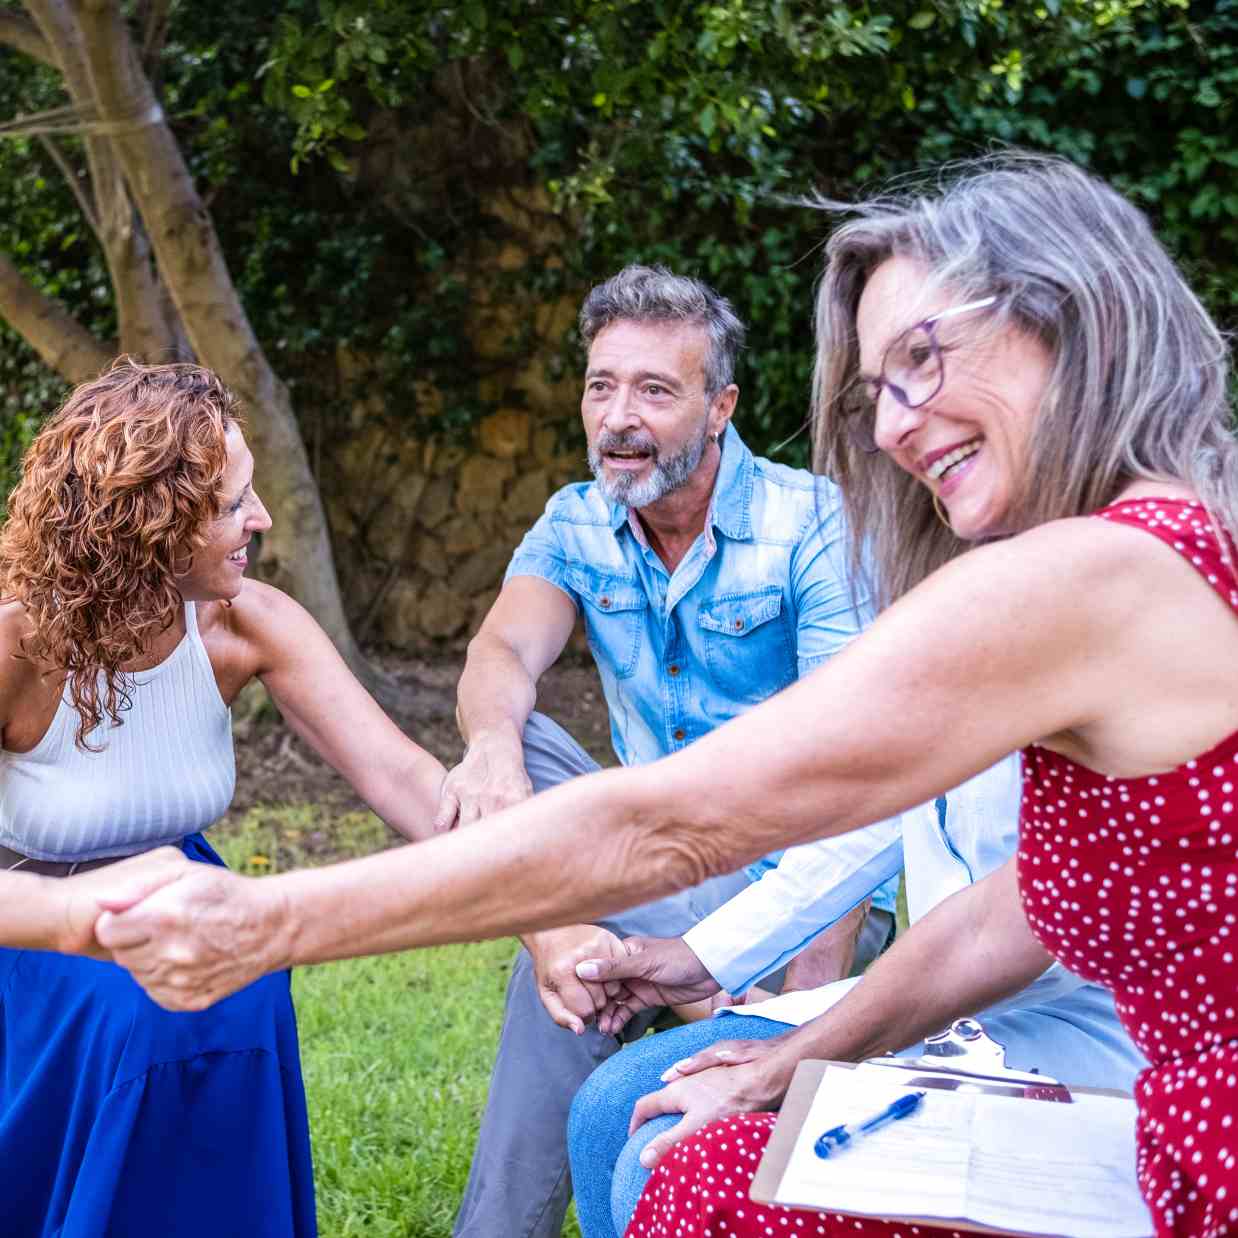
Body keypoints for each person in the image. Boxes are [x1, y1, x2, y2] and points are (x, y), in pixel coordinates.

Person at [95, 154, 1238, 1238]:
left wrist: (271, 920)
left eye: (924, 358)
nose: (890, 425)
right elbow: (1012, 902)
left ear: (1062, 314)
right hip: (1110, 1102)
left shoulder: (1080, 574)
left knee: (697, 1173)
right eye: (878, 389)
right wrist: (789, 1057)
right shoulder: (1142, 545)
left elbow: (680, 820)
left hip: (1184, 1140)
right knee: (684, 1133)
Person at [436, 263, 899, 1238]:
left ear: (720, 404)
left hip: (803, 882)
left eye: (653, 388)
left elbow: (856, 769)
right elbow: (501, 648)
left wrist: (802, 1008)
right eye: (601, 385)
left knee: (567, 968)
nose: (617, 416)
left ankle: (497, 1218)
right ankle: (573, 937)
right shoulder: (576, 519)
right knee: (518, 728)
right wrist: (488, 747)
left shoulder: (808, 523)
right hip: (657, 853)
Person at [0, 359, 447, 1237]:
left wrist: (553, 917)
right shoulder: (19, 646)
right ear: (149, 521)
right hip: (32, 932)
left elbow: (401, 776)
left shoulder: (244, 623)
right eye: (231, 504)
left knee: (234, 988)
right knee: (140, 1014)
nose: (262, 520)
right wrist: (64, 913)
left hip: (187, 896)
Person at [565, 755, 1146, 1237]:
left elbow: (994, 942)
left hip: (1078, 1026)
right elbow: (878, 807)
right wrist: (704, 957)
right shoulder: (953, 651)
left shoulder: (1124, 683)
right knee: (611, 1105)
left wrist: (785, 1065)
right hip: (921, 996)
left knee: (666, 1158)